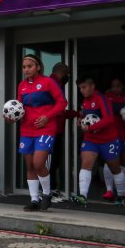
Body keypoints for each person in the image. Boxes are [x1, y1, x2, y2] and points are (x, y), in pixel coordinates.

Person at [14, 55, 67, 211]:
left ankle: (46, 193)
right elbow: (18, 108)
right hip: (26, 130)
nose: (26, 69)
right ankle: (34, 200)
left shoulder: (48, 82)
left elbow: (62, 102)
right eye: (24, 67)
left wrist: (47, 117)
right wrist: (11, 117)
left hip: (45, 128)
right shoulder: (22, 85)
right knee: (30, 165)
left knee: (38, 163)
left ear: (38, 67)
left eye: (30, 66)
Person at [72, 75, 125, 206]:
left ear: (92, 86)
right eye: (80, 88)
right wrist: (80, 120)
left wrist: (90, 127)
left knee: (115, 168)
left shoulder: (102, 99)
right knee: (86, 163)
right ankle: (82, 195)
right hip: (91, 139)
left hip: (108, 140)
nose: (82, 90)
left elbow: (109, 119)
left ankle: (121, 195)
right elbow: (85, 115)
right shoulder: (85, 100)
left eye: (84, 87)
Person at [48, 62, 79, 192]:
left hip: (57, 129)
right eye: (67, 74)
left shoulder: (57, 84)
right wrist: (76, 113)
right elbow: (57, 111)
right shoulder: (52, 84)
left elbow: (61, 112)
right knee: (51, 162)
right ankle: (49, 190)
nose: (68, 77)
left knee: (54, 161)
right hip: (51, 130)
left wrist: (77, 113)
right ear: (61, 72)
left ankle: (52, 189)